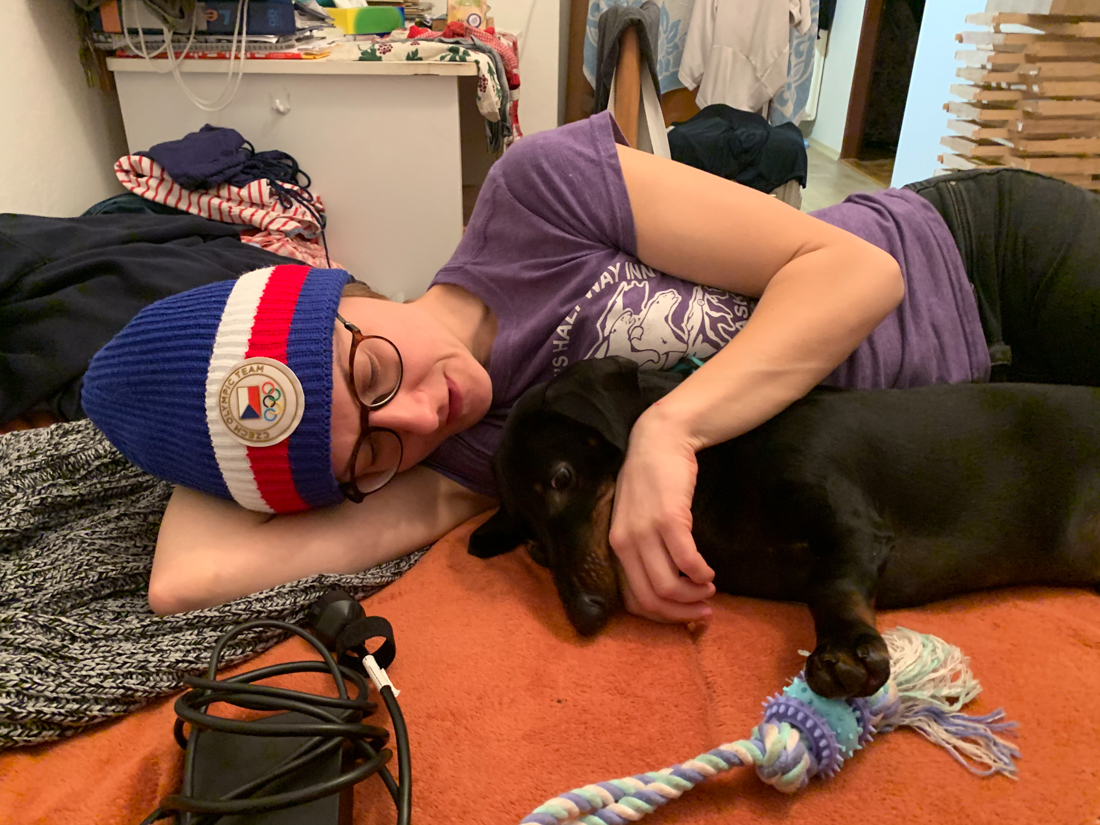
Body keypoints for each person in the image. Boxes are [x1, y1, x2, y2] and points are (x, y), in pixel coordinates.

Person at [81, 111, 1100, 623]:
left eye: (372, 375)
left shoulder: (536, 196)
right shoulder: (467, 460)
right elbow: (183, 581)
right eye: (371, 455)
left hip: (983, 261)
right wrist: (233, 440)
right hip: (991, 437)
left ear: (342, 286)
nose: (422, 415)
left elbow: (856, 274)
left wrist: (669, 428)